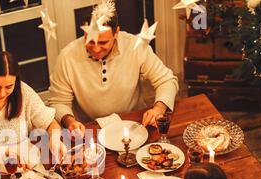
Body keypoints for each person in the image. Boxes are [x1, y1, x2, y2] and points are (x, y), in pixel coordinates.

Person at [49, 0, 179, 137]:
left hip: (134, 123)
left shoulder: (135, 46)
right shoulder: (67, 56)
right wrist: (69, 121)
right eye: (90, 41)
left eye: (103, 42)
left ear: (116, 32)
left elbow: (166, 80)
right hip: (90, 129)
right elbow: (58, 102)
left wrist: (159, 108)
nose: (96, 49)